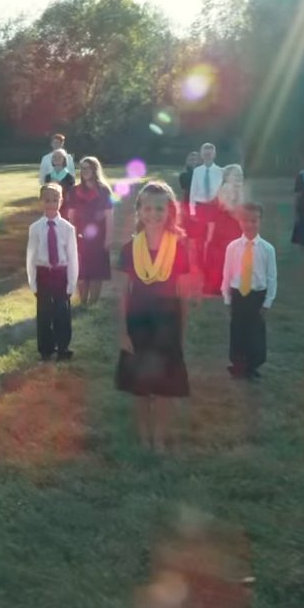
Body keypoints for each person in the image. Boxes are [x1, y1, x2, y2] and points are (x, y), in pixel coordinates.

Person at [117, 181, 194, 451]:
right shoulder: (130, 248)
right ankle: (143, 435)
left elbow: (182, 293)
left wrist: (181, 330)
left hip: (167, 323)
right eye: (147, 208)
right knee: (140, 386)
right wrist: (123, 331)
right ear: (139, 210)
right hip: (138, 323)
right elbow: (123, 293)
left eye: (160, 209)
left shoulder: (179, 247)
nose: (153, 214)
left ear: (170, 211)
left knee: (164, 387)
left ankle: (159, 436)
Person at [222, 202, 277, 380]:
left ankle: (253, 365)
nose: (250, 225)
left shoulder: (267, 249)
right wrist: (227, 299)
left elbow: (271, 277)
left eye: (254, 221)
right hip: (238, 294)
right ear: (240, 221)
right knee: (237, 330)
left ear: (260, 221)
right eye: (246, 220)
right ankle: (238, 364)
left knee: (255, 332)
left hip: (256, 295)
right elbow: (227, 274)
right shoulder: (233, 247)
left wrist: (268, 301)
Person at [25, 184, 79, 361]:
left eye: (55, 200)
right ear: (41, 202)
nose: (51, 204)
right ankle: (46, 349)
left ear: (61, 201)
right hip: (43, 273)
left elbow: (72, 257)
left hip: (61, 273)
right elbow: (31, 257)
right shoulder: (35, 228)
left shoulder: (67, 228)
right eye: (47, 200)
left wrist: (71, 283)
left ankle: (63, 347)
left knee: (62, 311)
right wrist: (33, 282)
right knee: (44, 312)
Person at [69, 156, 115, 308]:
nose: (84, 171)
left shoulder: (103, 190)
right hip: (80, 235)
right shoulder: (75, 190)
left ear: (95, 169)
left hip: (99, 236)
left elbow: (109, 215)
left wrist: (108, 237)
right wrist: (71, 235)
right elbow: (71, 215)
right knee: (82, 272)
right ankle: (82, 303)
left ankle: (93, 304)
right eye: (82, 168)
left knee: (97, 271)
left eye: (87, 168)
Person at [201, 164, 245, 298]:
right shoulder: (225, 189)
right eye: (236, 175)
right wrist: (240, 215)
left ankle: (232, 284)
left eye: (241, 175)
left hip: (235, 224)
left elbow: (241, 206)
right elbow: (228, 208)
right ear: (227, 177)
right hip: (224, 225)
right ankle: (216, 286)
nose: (239, 178)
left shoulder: (240, 190)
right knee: (222, 255)